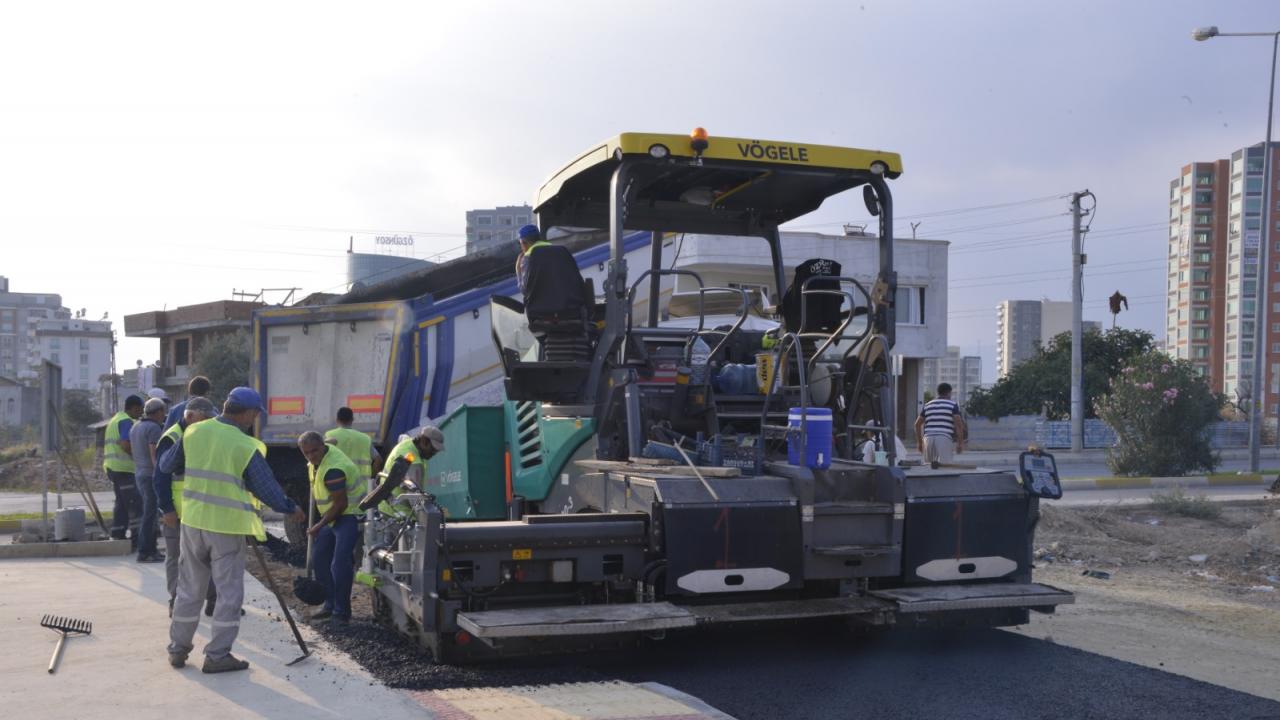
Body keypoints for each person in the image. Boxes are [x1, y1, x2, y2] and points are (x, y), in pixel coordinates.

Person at [160, 387, 305, 674]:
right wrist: (291, 508)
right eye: (255, 414)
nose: (255, 419)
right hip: (225, 528)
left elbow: (166, 464)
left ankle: (178, 649)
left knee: (189, 589)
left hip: (193, 522)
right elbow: (265, 487)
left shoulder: (194, 432)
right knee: (228, 594)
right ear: (249, 413)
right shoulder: (244, 444)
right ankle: (217, 655)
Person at [154, 397, 218, 617]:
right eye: (205, 418)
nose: (208, 422)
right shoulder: (172, 437)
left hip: (199, 510)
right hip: (178, 511)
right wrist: (167, 509)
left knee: (206, 556)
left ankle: (213, 600)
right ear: (190, 416)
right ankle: (176, 600)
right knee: (175, 557)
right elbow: (160, 477)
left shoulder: (200, 435)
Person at [297, 431, 367, 626]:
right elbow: (330, 442)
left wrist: (318, 525)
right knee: (319, 557)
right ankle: (329, 603)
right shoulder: (319, 458)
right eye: (306, 453)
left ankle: (341, 612)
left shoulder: (334, 470)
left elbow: (341, 504)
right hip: (333, 516)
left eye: (315, 451)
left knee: (339, 563)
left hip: (349, 515)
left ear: (322, 448)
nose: (311, 456)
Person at [376, 426, 445, 519]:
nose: (434, 453)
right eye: (433, 449)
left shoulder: (410, 446)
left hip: (391, 509)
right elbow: (414, 496)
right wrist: (424, 519)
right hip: (399, 513)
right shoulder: (412, 459)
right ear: (424, 441)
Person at [129, 397, 168, 563]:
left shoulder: (136, 426)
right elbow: (154, 454)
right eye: (163, 411)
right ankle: (145, 551)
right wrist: (160, 475)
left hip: (139, 473)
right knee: (150, 515)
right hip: (150, 475)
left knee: (148, 513)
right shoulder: (153, 428)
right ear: (158, 411)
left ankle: (150, 549)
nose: (164, 415)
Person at [103, 395, 145, 546]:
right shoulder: (126, 421)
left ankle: (118, 534)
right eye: (140, 409)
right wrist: (140, 458)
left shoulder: (115, 419)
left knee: (121, 503)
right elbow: (125, 444)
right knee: (135, 503)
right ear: (134, 408)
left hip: (113, 468)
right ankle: (137, 539)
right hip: (124, 470)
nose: (141, 413)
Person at [324, 406, 383, 483]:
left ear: (337, 420)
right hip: (361, 486)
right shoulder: (365, 438)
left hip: (338, 484)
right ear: (352, 420)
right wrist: (372, 476)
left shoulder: (329, 435)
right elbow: (378, 460)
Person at [914, 383, 967, 465]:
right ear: (949, 392)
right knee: (945, 468)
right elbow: (959, 426)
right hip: (944, 438)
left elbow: (917, 424)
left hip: (928, 439)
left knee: (929, 468)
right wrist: (960, 443)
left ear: (938, 392)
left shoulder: (928, 405)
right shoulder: (952, 405)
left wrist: (920, 443)